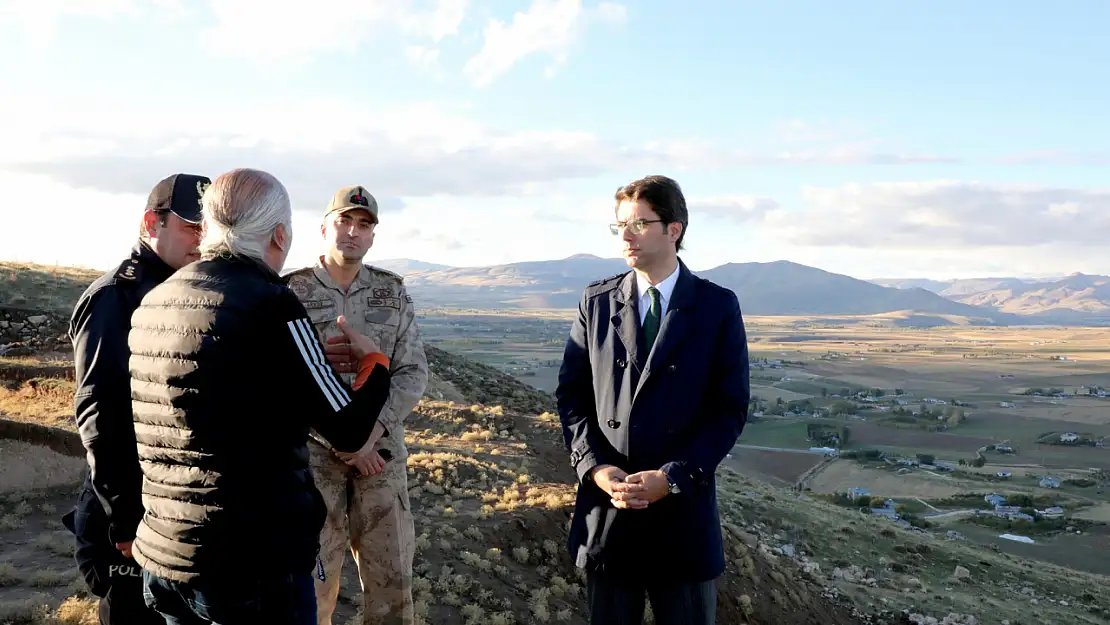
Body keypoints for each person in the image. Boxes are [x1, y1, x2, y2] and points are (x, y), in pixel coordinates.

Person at [127, 168, 394, 625]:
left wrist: (300, 365)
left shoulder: (157, 299)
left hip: (165, 549)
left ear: (208, 226)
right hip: (249, 564)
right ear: (279, 234)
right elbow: (348, 430)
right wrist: (375, 366)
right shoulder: (272, 303)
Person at [555, 175, 750, 625]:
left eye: (640, 224)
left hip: (681, 518)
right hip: (610, 513)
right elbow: (572, 396)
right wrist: (595, 468)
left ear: (674, 230)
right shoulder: (597, 301)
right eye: (620, 225)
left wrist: (675, 476)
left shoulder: (717, 306)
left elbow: (729, 408)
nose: (625, 236)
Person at [64, 172, 211, 625]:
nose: (202, 240)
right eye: (190, 226)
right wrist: (125, 517)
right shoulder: (116, 297)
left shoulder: (191, 291)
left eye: (209, 229)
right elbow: (99, 415)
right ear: (152, 222)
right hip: (132, 508)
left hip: (175, 504)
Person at [284, 185, 429, 625]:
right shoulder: (291, 291)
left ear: (372, 237)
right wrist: (340, 440)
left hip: (380, 459)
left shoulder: (391, 292)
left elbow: (413, 372)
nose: (353, 232)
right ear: (325, 226)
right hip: (313, 462)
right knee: (311, 586)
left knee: (391, 586)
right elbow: (281, 380)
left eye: (364, 225)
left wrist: (370, 434)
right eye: (344, 221)